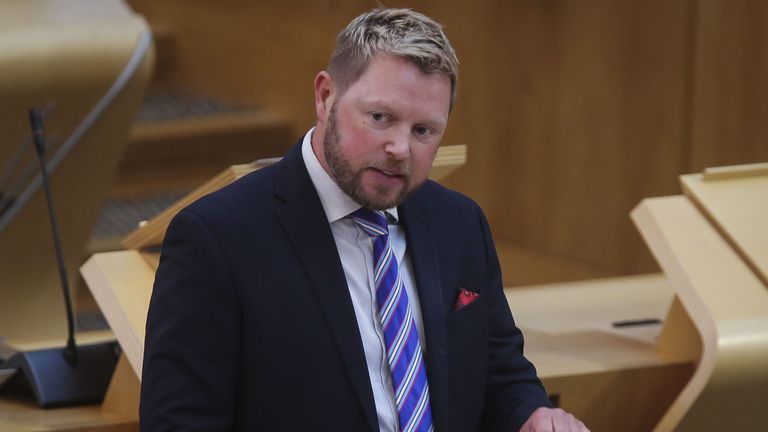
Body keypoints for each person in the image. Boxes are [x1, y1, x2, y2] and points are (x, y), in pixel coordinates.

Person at [140, 8, 589, 432]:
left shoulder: (459, 223)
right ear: (325, 97)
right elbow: (181, 422)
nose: (400, 148)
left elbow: (500, 372)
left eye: (423, 131)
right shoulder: (219, 237)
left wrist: (535, 415)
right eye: (380, 118)